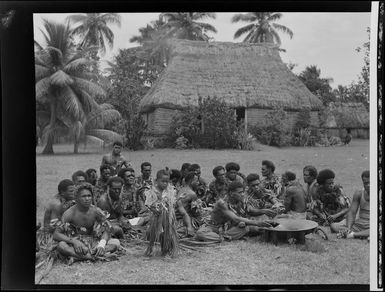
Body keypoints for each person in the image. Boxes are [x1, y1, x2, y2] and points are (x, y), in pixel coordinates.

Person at [53, 183, 120, 263]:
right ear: (76, 198)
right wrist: (74, 242)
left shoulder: (96, 211)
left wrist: (101, 245)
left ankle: (80, 257)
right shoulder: (69, 213)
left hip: (93, 242)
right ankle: (94, 257)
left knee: (115, 243)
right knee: (61, 245)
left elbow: (107, 229)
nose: (87, 198)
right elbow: (56, 234)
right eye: (84, 196)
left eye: (89, 196)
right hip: (77, 245)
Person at [195, 181, 276, 243]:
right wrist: (257, 223)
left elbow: (248, 212)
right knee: (200, 233)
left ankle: (222, 237)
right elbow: (236, 218)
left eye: (243, 192)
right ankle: (223, 237)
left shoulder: (241, 200)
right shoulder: (222, 203)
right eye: (240, 192)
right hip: (212, 227)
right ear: (231, 193)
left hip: (228, 227)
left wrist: (264, 212)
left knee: (245, 227)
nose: (243, 194)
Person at [144, 169, 179, 257]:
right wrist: (154, 209)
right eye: (162, 181)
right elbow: (148, 204)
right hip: (156, 216)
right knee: (154, 233)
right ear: (157, 180)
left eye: (167, 181)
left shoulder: (170, 190)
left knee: (168, 232)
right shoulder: (152, 191)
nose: (165, 184)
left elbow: (172, 202)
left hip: (168, 216)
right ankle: (150, 249)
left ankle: (166, 249)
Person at [331, 171, 370, 239]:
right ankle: (363, 234)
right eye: (366, 183)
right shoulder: (359, 193)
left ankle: (354, 235)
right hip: (360, 224)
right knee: (334, 226)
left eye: (371, 182)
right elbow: (352, 213)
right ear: (363, 183)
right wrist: (348, 228)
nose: (369, 185)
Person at [175, 172, 204, 237]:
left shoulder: (181, 189)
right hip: (184, 219)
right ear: (191, 181)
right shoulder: (192, 194)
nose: (198, 183)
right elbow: (195, 213)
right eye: (196, 181)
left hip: (177, 218)